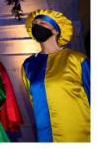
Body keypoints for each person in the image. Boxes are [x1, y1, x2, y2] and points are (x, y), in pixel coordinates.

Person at [21, 8, 90, 142]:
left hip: (79, 135)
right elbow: (32, 99)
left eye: (42, 22)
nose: (36, 25)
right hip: (45, 136)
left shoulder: (76, 59)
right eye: (35, 23)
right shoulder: (28, 65)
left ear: (56, 30)